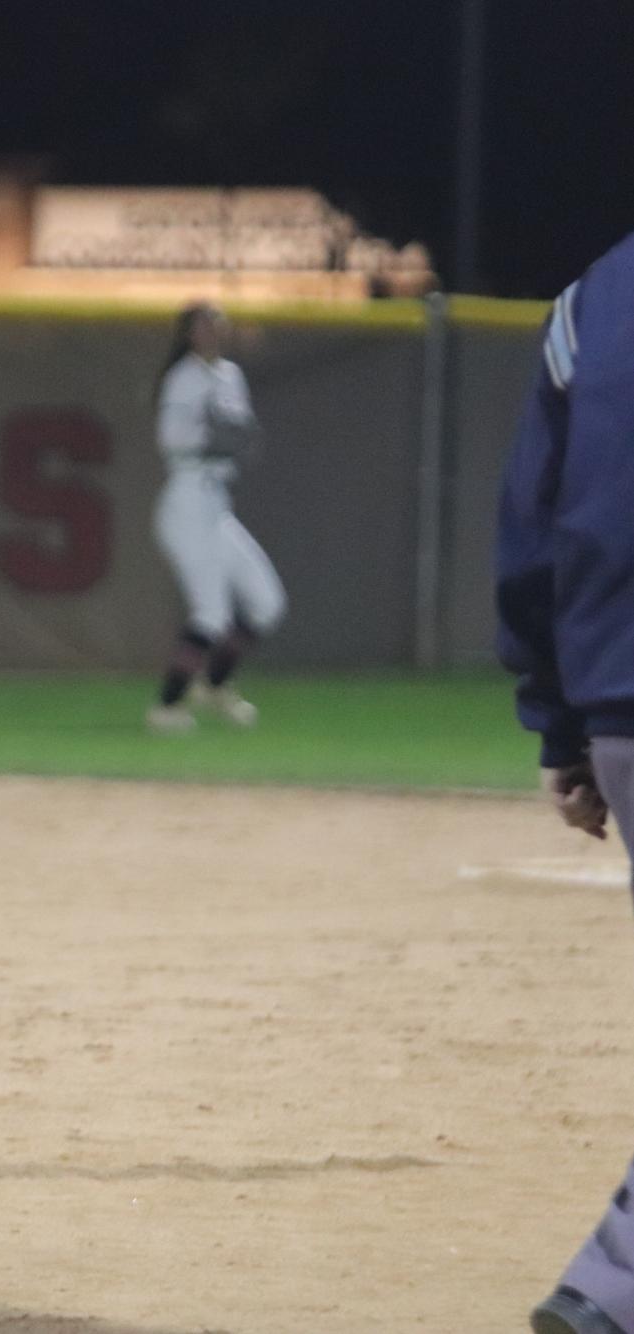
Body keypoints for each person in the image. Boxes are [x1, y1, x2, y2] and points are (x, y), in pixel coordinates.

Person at [500, 250, 634, 1334]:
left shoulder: (595, 297)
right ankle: (611, 1283)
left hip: (620, 696)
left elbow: (534, 524)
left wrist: (561, 717)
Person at [145, 302, 287, 733]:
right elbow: (170, 440)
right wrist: (213, 436)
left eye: (216, 324)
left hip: (216, 505)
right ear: (188, 334)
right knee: (211, 614)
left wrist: (235, 437)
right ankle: (166, 707)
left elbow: (241, 435)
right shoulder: (182, 377)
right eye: (202, 326)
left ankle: (213, 685)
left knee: (266, 604)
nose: (210, 332)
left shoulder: (230, 375)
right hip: (186, 502)